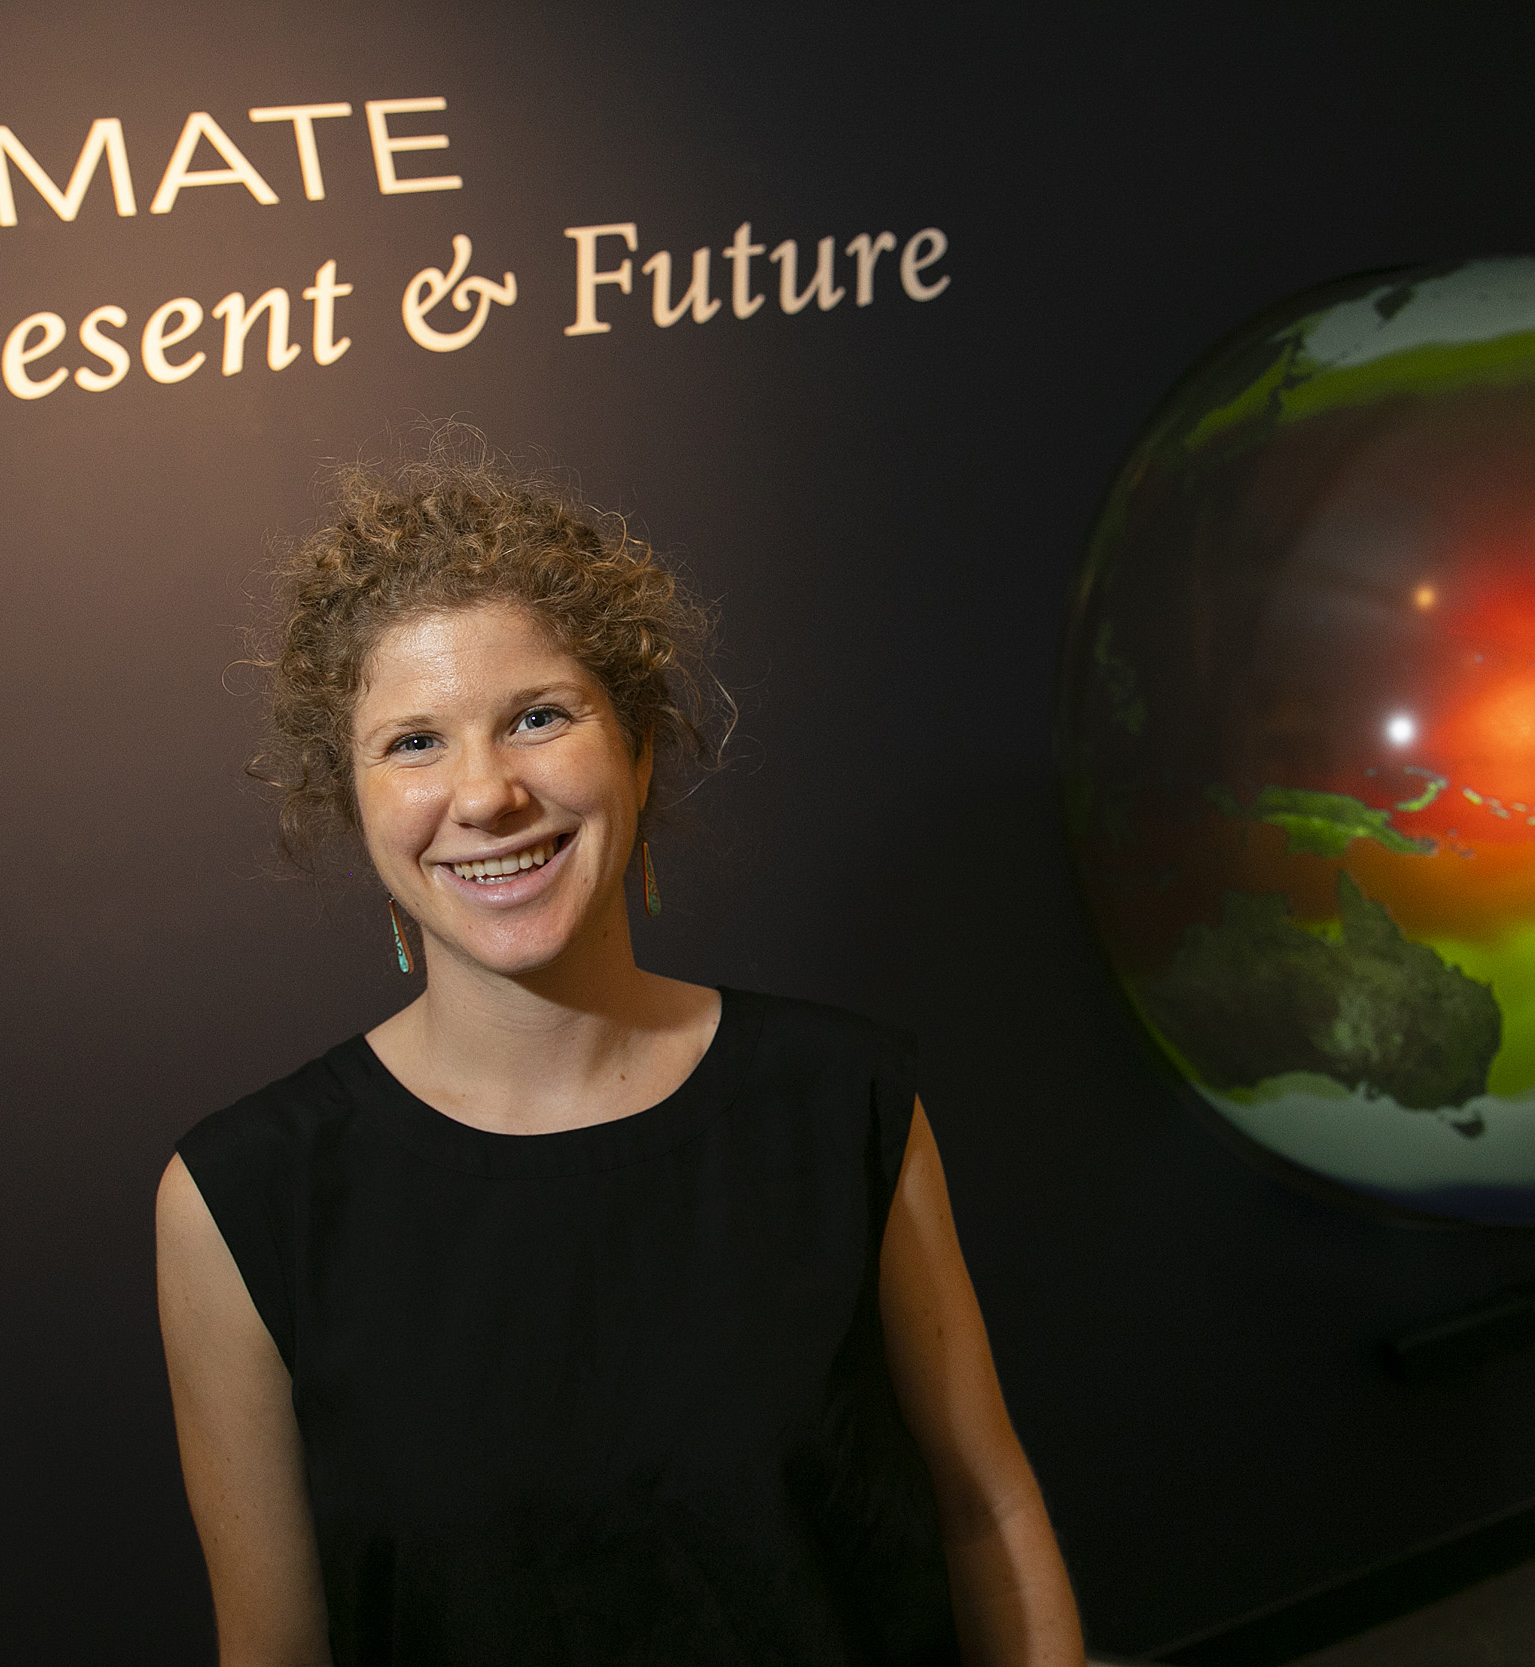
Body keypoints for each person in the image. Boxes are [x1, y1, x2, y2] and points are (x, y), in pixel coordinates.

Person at [155, 447, 1084, 1666]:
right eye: (413, 743)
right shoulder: (243, 1199)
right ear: (354, 803)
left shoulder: (842, 1097)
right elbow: (274, 1646)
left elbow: (986, 1508)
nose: (484, 794)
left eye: (539, 716)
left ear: (639, 751)